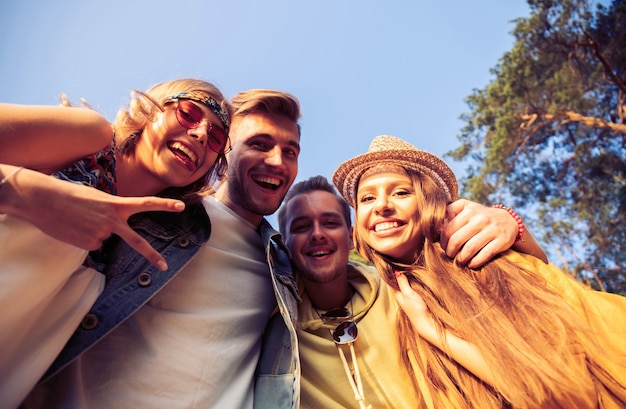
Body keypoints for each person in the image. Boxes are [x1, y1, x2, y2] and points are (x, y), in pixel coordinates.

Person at [21, 88, 303, 409]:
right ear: (223, 155)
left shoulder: (285, 267)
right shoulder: (155, 209)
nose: (277, 161)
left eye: (290, 151)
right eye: (259, 144)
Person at [331, 135, 626, 409]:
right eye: (367, 198)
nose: (382, 205)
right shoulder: (384, 299)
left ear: (428, 203)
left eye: (400, 192)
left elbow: (569, 392)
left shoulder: (489, 264)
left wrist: (435, 331)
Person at [0, 78, 232, 409]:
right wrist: (26, 194)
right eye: (188, 114)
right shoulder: (90, 137)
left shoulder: (132, 250)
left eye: (216, 139)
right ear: (150, 112)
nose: (199, 134)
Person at [276, 175, 548, 409]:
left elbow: (537, 293)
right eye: (300, 227)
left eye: (330, 223)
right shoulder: (275, 325)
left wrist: (510, 222)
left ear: (351, 236)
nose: (317, 234)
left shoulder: (403, 288)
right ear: (284, 245)